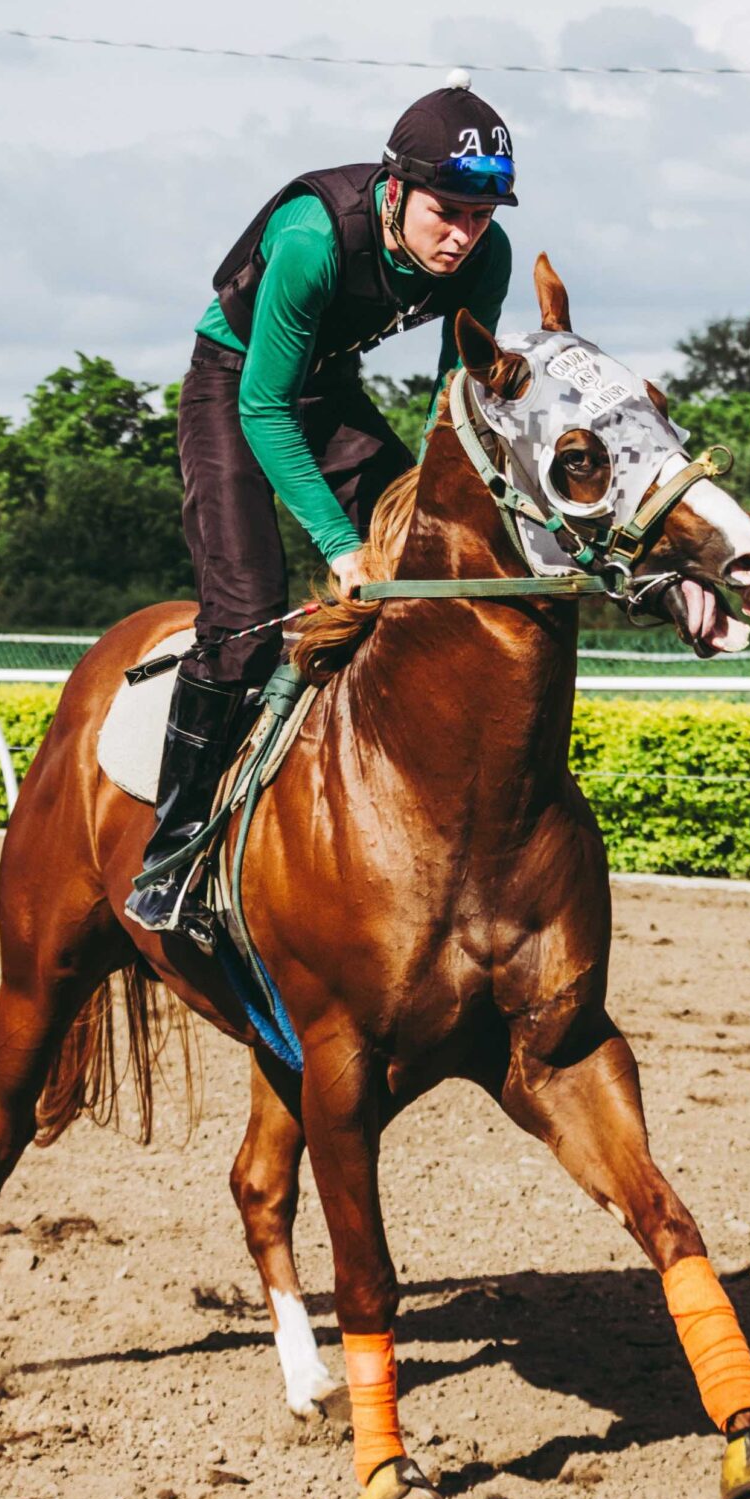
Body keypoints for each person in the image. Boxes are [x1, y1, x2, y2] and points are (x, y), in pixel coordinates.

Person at [125, 71, 516, 939]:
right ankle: (175, 850)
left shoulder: (487, 258)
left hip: (327, 389)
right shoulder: (313, 237)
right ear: (397, 189)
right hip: (234, 387)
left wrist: (428, 497)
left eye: (479, 218)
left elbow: (455, 396)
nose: (460, 238)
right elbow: (265, 406)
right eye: (444, 212)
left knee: (423, 572)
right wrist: (342, 545)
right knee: (248, 615)